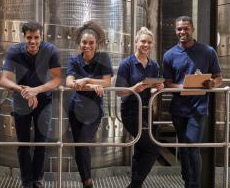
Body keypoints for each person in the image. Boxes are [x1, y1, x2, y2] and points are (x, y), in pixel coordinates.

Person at [163, 16, 222, 188]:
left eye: (185, 28)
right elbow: (167, 82)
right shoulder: (169, 55)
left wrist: (213, 84)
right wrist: (182, 86)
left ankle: (193, 184)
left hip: (198, 108)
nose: (182, 32)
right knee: (183, 147)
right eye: (179, 29)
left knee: (192, 145)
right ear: (176, 30)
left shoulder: (208, 51)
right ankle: (187, 179)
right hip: (178, 109)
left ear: (192, 29)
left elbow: (218, 77)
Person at [0, 22, 61, 188]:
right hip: (21, 101)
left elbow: (57, 79)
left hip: (44, 101)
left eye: (36, 37)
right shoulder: (14, 51)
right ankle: (27, 182)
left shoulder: (50, 51)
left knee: (42, 143)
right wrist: (25, 92)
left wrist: (36, 90)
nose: (32, 41)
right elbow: (3, 80)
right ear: (23, 37)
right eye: (29, 37)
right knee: (23, 144)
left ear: (41, 37)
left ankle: (37, 180)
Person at [66, 21, 113, 188]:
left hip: (93, 111)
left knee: (83, 143)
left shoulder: (103, 58)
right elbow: (70, 82)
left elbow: (107, 82)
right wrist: (93, 86)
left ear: (97, 44)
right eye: (84, 42)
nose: (87, 46)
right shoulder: (74, 59)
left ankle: (88, 182)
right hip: (75, 109)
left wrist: (86, 80)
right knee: (79, 147)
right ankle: (86, 181)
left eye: (91, 43)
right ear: (80, 43)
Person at [115, 27, 163, 188]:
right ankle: (134, 185)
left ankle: (136, 184)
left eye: (149, 42)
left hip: (146, 111)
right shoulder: (126, 64)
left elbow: (153, 89)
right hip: (130, 111)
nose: (146, 45)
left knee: (141, 150)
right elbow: (119, 92)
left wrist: (159, 87)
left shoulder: (154, 65)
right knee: (153, 149)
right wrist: (134, 88)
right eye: (143, 41)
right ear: (136, 43)